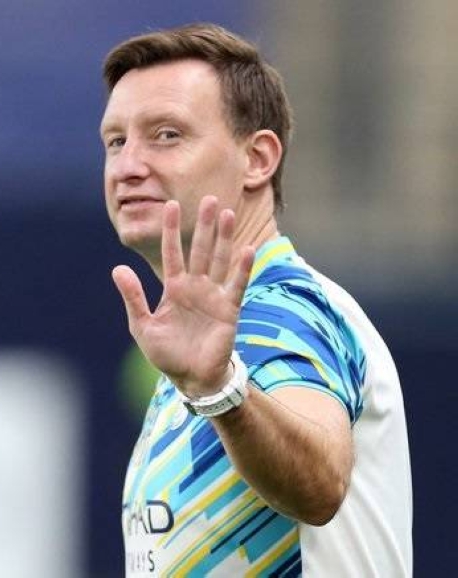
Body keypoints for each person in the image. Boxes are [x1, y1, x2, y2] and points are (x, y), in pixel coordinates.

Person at [100, 23, 412, 576]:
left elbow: (320, 484)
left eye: (167, 135)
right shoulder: (210, 344)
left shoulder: (284, 308)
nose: (128, 166)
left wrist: (220, 390)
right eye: (116, 141)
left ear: (258, 158)